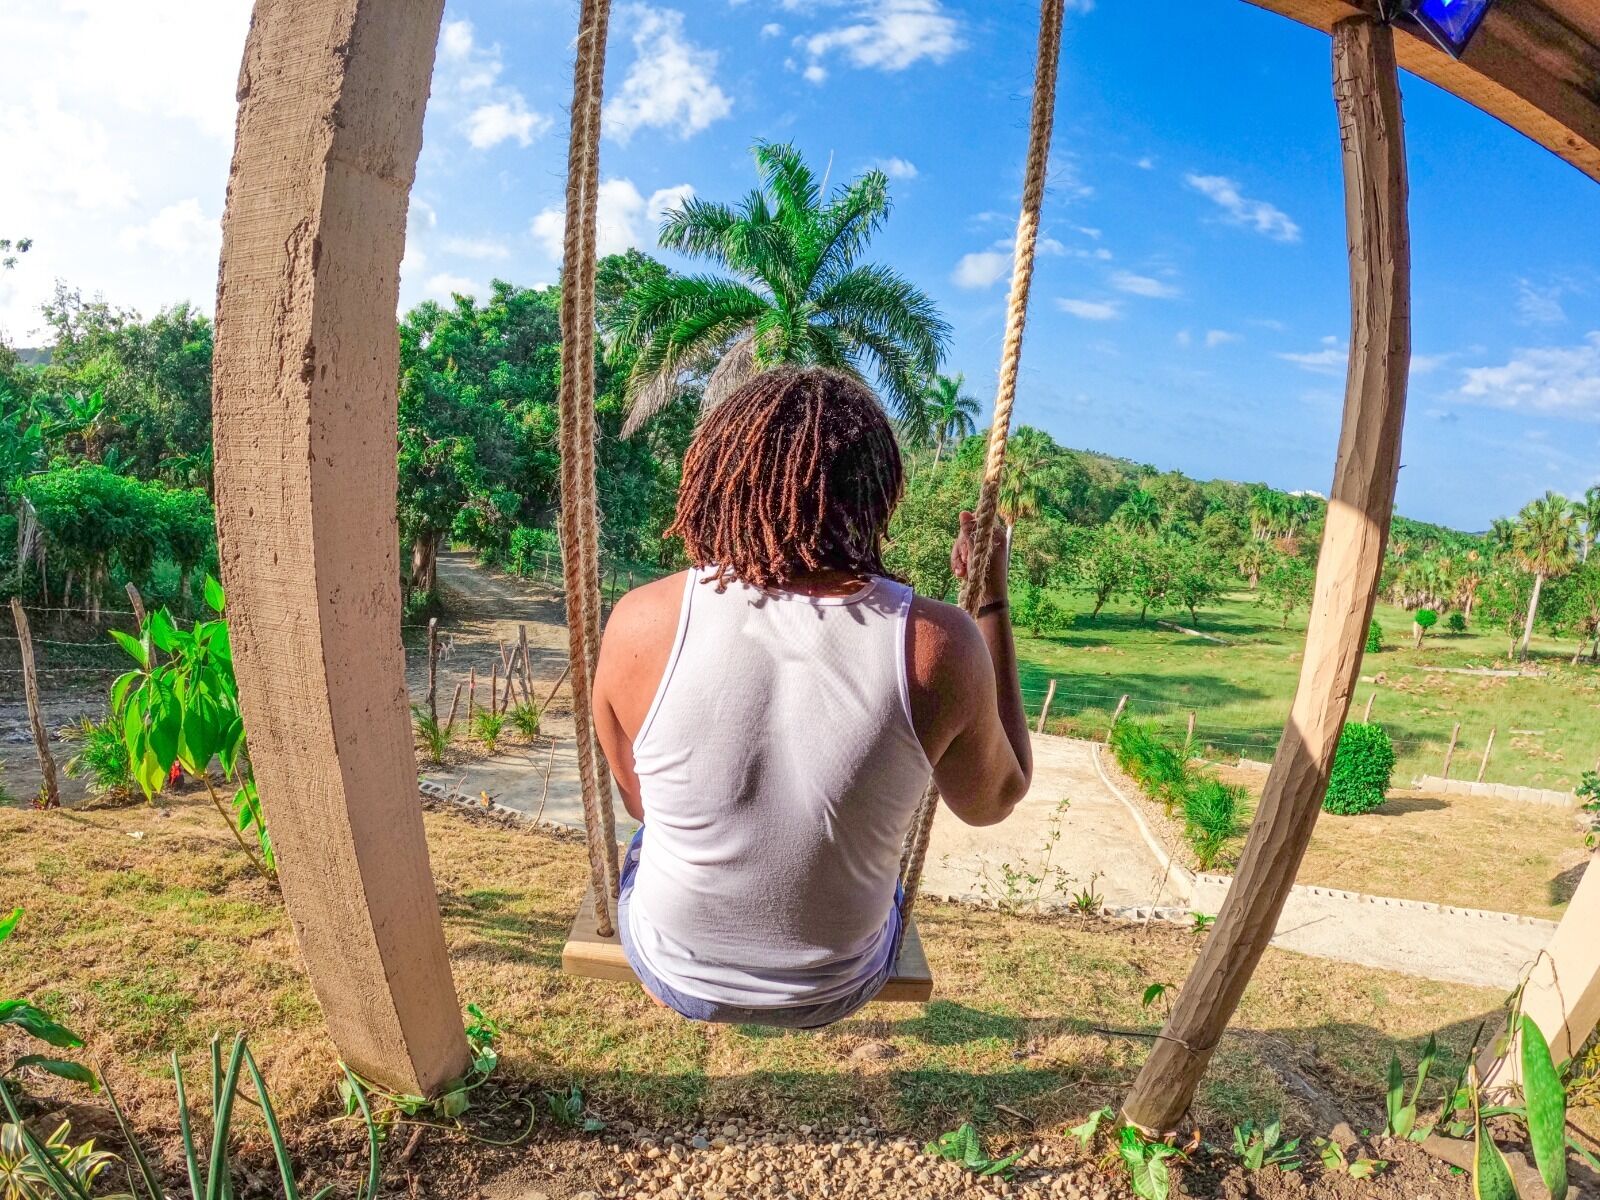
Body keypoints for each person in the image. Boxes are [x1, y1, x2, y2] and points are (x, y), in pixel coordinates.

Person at [591, 366, 1032, 1027]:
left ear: (718, 478)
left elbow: (639, 801)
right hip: (835, 984)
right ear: (877, 496)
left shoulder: (642, 620)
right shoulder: (937, 644)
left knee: (655, 839)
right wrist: (991, 594)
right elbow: (994, 800)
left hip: (675, 967)